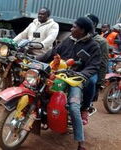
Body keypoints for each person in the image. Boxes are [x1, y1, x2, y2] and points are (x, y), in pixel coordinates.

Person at [37, 17, 100, 150]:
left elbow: (94, 66)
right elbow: (52, 53)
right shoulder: (68, 40)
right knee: (38, 90)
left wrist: (82, 74)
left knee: (73, 107)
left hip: (75, 79)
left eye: (74, 27)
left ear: (82, 30)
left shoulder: (93, 46)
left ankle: (80, 141)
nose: (71, 29)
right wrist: (35, 59)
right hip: (58, 74)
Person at [81, 14, 109, 125]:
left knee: (91, 82)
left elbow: (103, 63)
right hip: (77, 68)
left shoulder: (101, 42)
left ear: (93, 25)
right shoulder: (78, 36)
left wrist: (100, 83)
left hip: (92, 71)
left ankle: (85, 109)